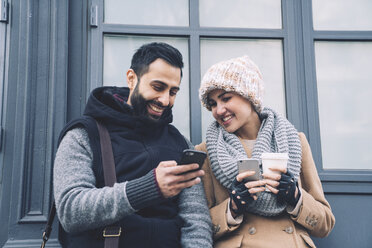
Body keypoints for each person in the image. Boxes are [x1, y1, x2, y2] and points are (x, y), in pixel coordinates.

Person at [53, 42, 213, 248]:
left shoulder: (181, 143)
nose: (165, 100)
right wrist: (149, 187)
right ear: (131, 79)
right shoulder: (84, 135)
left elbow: (196, 221)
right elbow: (70, 210)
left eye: (173, 92)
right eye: (158, 87)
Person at [196, 56, 335, 247]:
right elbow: (197, 226)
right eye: (212, 104)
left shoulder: (295, 140)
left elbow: (325, 224)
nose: (219, 110)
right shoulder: (206, 151)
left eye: (226, 98)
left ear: (249, 95)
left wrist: (296, 197)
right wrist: (232, 208)